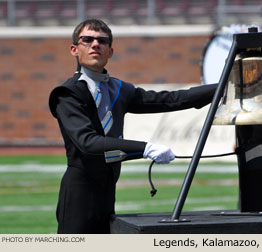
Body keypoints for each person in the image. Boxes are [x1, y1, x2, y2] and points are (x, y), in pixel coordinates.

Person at [48, 19, 217, 234]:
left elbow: (171, 99)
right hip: (80, 191)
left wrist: (220, 87)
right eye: (87, 40)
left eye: (102, 41)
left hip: (108, 187)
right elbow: (87, 142)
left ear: (110, 51)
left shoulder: (118, 88)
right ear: (74, 49)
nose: (95, 44)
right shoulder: (68, 94)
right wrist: (144, 148)